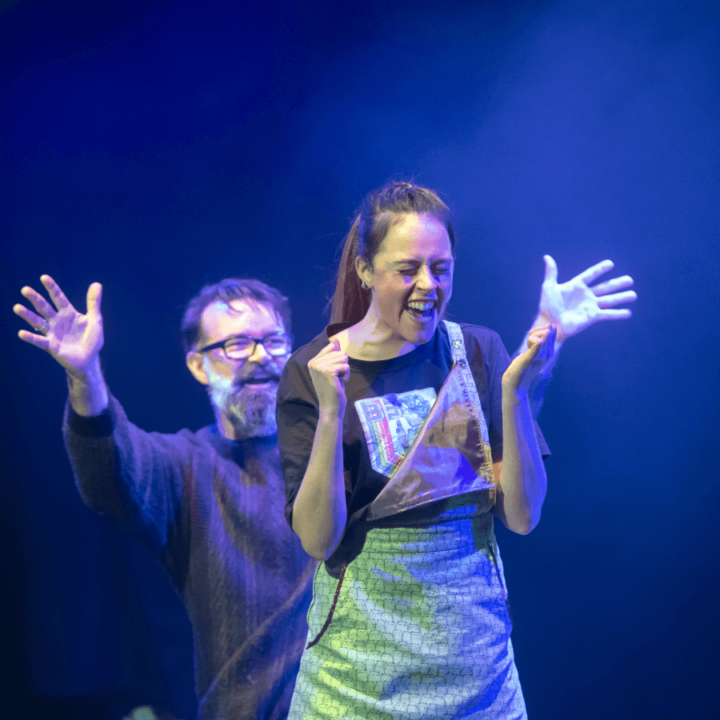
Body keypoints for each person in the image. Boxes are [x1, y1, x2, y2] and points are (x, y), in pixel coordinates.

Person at [276, 181, 636, 720]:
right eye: (407, 269)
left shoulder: (477, 350)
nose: (427, 284)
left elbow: (521, 515)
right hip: (356, 684)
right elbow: (316, 538)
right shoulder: (317, 372)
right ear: (365, 269)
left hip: (479, 679)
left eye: (440, 268)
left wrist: (515, 391)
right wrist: (330, 413)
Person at [12, 276, 317, 720]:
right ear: (198, 365)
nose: (259, 357)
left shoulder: (329, 453)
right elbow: (110, 470)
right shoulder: (183, 464)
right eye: (237, 345)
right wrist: (85, 374)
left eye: (273, 341)